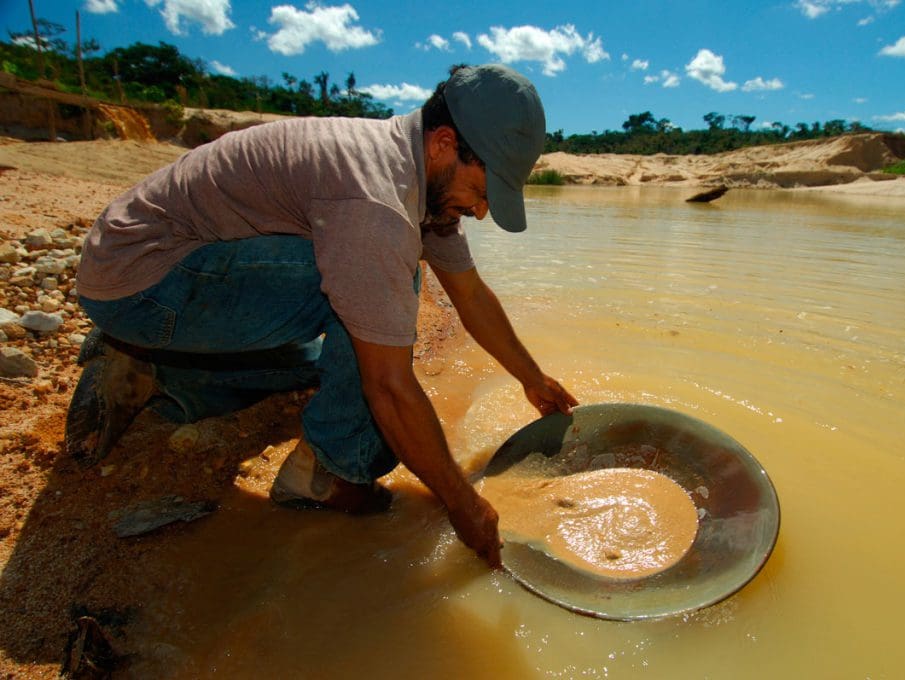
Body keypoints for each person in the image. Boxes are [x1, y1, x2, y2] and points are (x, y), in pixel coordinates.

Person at [64, 64, 578, 568]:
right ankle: (327, 473)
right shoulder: (378, 203)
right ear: (445, 143)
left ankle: (158, 373)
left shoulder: (415, 175)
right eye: (484, 193)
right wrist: (461, 502)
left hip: (141, 268)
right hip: (144, 281)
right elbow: (389, 386)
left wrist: (533, 380)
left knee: (326, 356)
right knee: (382, 295)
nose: (483, 212)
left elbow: (470, 293)